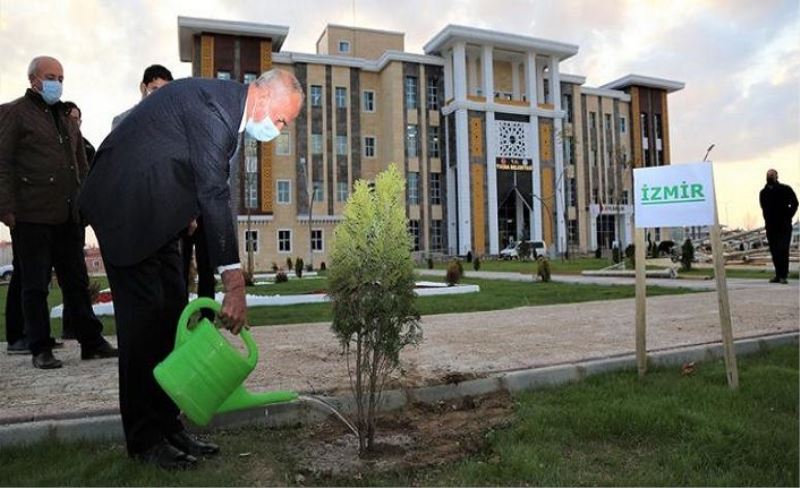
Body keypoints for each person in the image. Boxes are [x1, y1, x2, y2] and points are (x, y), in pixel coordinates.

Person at [79, 69, 304, 469]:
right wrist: (234, 284)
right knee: (142, 328)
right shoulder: (215, 108)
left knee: (168, 317)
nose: (280, 129)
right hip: (125, 211)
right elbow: (214, 191)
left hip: (160, 219)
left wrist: (190, 212)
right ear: (263, 96)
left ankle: (168, 424)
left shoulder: (228, 114)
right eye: (282, 119)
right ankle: (145, 440)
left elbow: (196, 175)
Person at [0, 56, 118, 369]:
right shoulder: (15, 113)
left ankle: (90, 341)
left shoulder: (66, 119)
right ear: (33, 80)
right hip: (31, 214)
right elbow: (3, 163)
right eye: (50, 76)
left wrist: (85, 204)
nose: (57, 83)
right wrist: (7, 209)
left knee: (76, 282)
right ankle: (40, 347)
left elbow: (80, 166)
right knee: (36, 285)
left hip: (68, 216)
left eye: (61, 77)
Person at [759, 169, 798, 284]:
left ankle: (783, 275)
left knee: (783, 249)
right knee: (774, 250)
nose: (770, 176)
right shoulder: (763, 192)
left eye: (772, 175)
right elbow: (763, 207)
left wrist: (788, 215)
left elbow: (795, 203)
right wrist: (767, 219)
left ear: (777, 176)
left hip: (784, 225)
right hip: (771, 226)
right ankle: (777, 274)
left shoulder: (785, 189)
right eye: (768, 175)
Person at [111, 64, 173, 130]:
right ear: (143, 88)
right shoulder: (121, 122)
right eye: (155, 89)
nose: (159, 94)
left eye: (164, 90)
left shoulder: (176, 120)